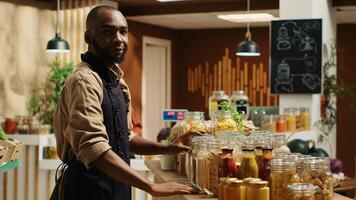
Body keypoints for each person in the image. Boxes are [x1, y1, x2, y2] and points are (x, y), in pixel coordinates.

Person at [53, 5, 202, 200]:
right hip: (88, 190)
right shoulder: (84, 81)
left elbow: (126, 138)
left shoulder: (117, 81)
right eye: (108, 32)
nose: (119, 39)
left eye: (123, 31)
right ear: (88, 38)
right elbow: (94, 147)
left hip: (118, 189)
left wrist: (168, 147)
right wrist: (149, 186)